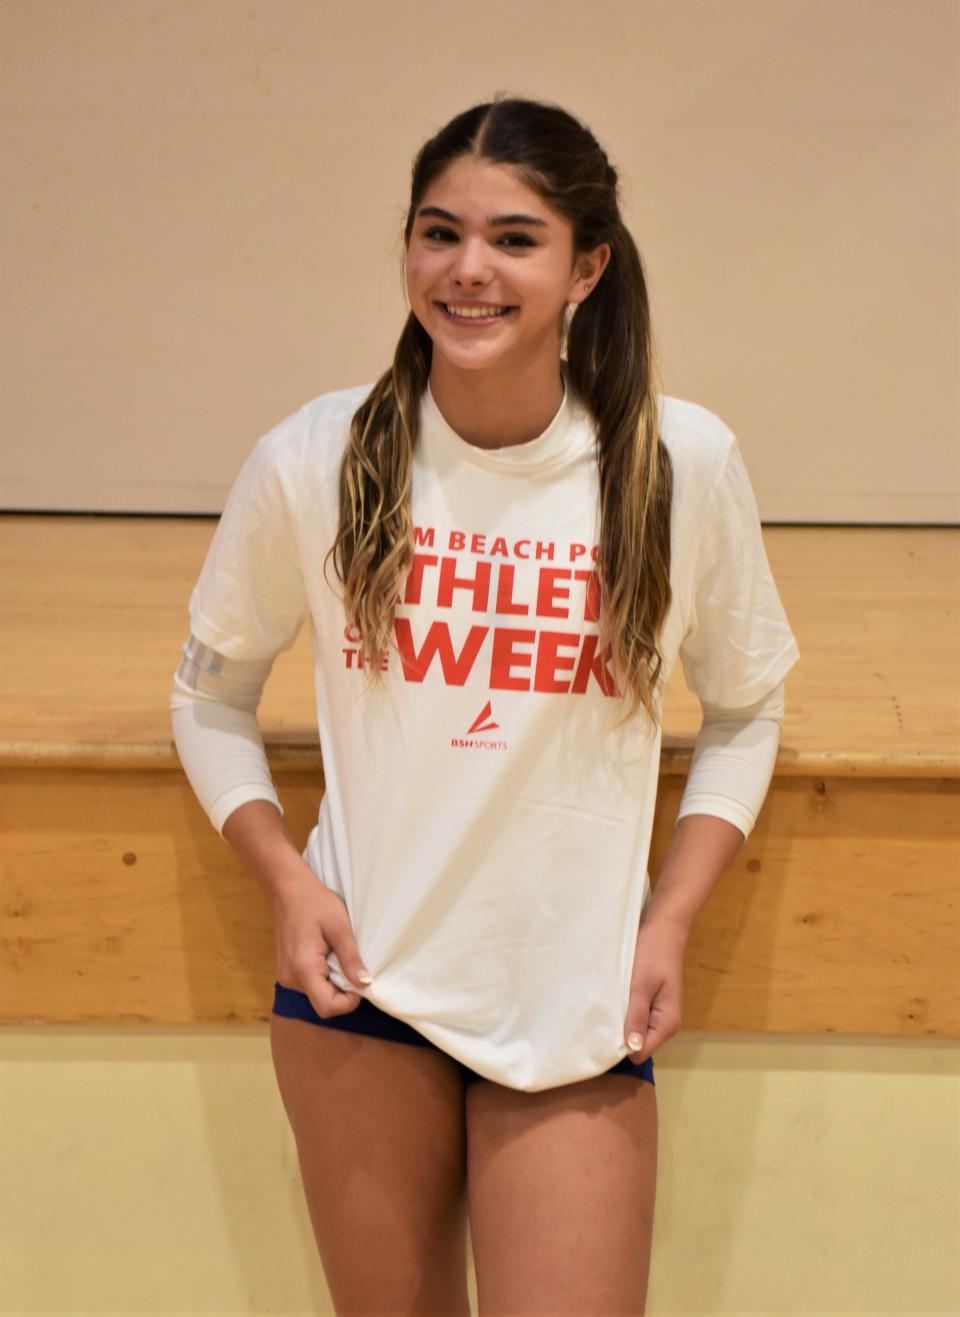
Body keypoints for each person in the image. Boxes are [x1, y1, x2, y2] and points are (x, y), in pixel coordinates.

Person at [170, 94, 800, 1315]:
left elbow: (745, 711)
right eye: (438, 231)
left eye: (515, 239)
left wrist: (666, 923)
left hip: (572, 1006)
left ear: (587, 267)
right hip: (363, 992)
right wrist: (290, 888)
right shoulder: (316, 455)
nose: (468, 270)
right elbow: (210, 694)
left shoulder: (679, 464)